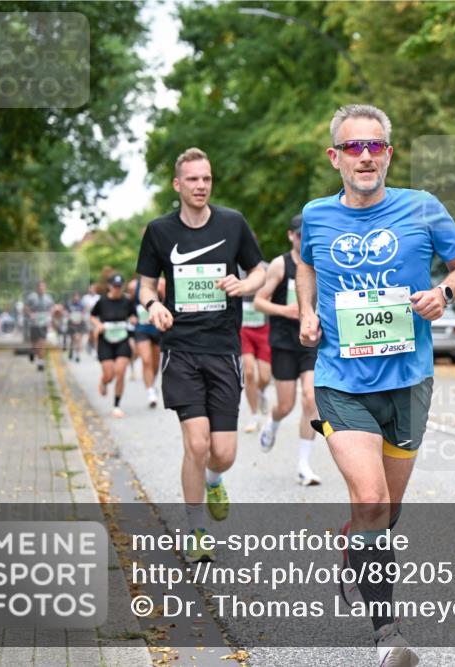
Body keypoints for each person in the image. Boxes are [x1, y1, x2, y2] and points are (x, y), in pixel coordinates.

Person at [297, 104, 455, 666]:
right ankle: (388, 634)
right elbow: (305, 263)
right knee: (371, 497)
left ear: (389, 154)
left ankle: (353, 550)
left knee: (386, 511)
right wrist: (306, 311)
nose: (366, 156)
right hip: (340, 380)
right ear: (335, 157)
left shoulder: (423, 208)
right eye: (354, 147)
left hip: (408, 381)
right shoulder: (317, 215)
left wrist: (443, 295)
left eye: (376, 146)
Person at [136, 147, 265, 562]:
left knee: (222, 452)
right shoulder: (159, 231)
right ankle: (196, 531)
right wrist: (154, 305)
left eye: (206, 178)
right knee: (196, 442)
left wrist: (245, 286)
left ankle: (214, 480)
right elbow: (144, 285)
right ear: (178, 184)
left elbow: (259, 269)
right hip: (181, 350)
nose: (200, 186)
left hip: (223, 349)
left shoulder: (233, 223)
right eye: (192, 179)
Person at [254, 214, 320, 485]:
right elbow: (259, 301)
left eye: (308, 236)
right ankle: (273, 421)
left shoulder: (320, 262)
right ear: (291, 236)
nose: (304, 240)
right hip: (283, 341)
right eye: (299, 236)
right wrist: (286, 310)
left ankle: (304, 465)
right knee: (285, 404)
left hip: (311, 341)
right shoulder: (280, 265)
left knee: (310, 398)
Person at [90, 274, 137, 417]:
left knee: (121, 372)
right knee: (110, 375)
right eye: (115, 286)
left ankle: (116, 405)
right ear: (109, 286)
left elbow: (133, 315)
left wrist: (133, 319)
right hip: (106, 340)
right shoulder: (102, 301)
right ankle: (104, 381)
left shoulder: (127, 301)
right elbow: (92, 316)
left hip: (122, 338)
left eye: (119, 286)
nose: (117, 289)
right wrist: (98, 325)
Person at [239, 262, 272, 433]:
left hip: (264, 328)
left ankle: (260, 392)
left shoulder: (266, 269)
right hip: (243, 329)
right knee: (249, 371)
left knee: (265, 376)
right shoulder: (232, 267)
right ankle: (254, 415)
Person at [130, 276, 166, 408]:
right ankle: (150, 392)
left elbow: (168, 302)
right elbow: (132, 304)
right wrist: (132, 316)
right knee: (146, 360)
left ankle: (151, 383)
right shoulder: (134, 286)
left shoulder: (162, 282)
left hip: (157, 328)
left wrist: (162, 292)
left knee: (156, 363)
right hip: (141, 328)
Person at [24, 280, 55, 371]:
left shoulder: (48, 298)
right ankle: (32, 351)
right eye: (40, 287)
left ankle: (40, 363)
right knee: (35, 344)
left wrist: (51, 314)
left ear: (45, 288)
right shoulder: (31, 297)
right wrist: (30, 314)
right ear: (37, 288)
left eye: (43, 287)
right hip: (34, 323)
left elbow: (52, 307)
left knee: (42, 343)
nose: (41, 289)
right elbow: (25, 307)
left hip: (44, 323)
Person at [65, 291, 86, 362]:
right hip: (72, 324)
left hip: (80, 324)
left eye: (77, 296)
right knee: (73, 339)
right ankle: (71, 351)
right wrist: (70, 318)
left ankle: (77, 355)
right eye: (75, 296)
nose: (76, 298)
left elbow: (84, 313)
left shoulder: (82, 305)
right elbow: (66, 313)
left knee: (78, 339)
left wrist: (82, 318)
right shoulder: (69, 304)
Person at [81, 282, 100, 358]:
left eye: (93, 288)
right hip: (88, 318)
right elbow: (83, 308)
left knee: (96, 335)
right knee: (91, 334)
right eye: (90, 288)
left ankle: (96, 351)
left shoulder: (98, 297)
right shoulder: (85, 298)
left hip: (96, 318)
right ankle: (90, 344)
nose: (92, 290)